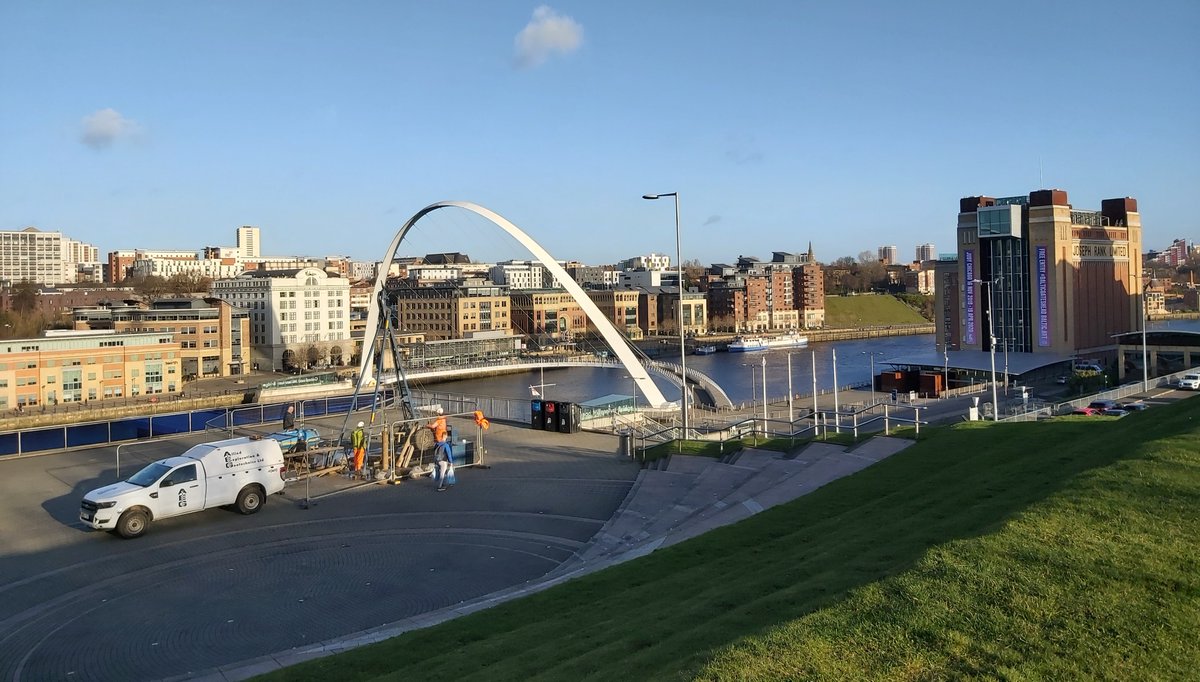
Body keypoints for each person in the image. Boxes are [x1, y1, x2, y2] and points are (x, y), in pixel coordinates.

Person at [427, 407, 453, 491]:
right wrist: (451, 462)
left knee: (441, 472)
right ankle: (440, 486)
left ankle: (442, 483)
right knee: (443, 472)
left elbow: (433, 426)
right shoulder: (444, 420)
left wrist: (428, 425)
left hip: (437, 459)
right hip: (443, 460)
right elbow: (448, 453)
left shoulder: (438, 420)